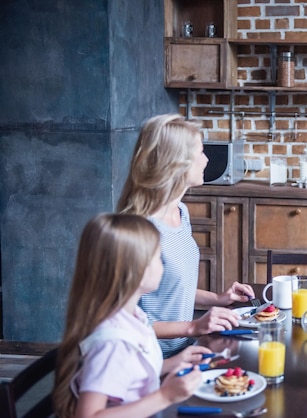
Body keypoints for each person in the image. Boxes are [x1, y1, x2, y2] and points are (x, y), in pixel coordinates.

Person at [117, 114, 255, 358]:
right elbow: (125, 321)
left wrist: (218, 299)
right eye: (201, 152)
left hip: (185, 351)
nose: (206, 159)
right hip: (148, 361)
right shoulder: (140, 229)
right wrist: (194, 326)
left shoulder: (181, 213)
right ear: (177, 163)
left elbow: (170, 291)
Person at [53, 213, 211, 418]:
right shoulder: (113, 343)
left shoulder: (133, 316)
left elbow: (128, 374)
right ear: (137, 271)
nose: (163, 265)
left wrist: (173, 363)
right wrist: (165, 396)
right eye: (158, 258)